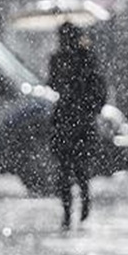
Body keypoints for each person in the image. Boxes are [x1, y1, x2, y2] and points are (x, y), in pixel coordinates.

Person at [45, 22, 107, 229]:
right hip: (68, 119)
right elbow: (52, 84)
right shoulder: (61, 58)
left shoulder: (85, 58)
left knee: (76, 169)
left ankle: (79, 203)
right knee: (68, 170)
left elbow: (97, 89)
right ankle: (69, 209)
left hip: (76, 120)